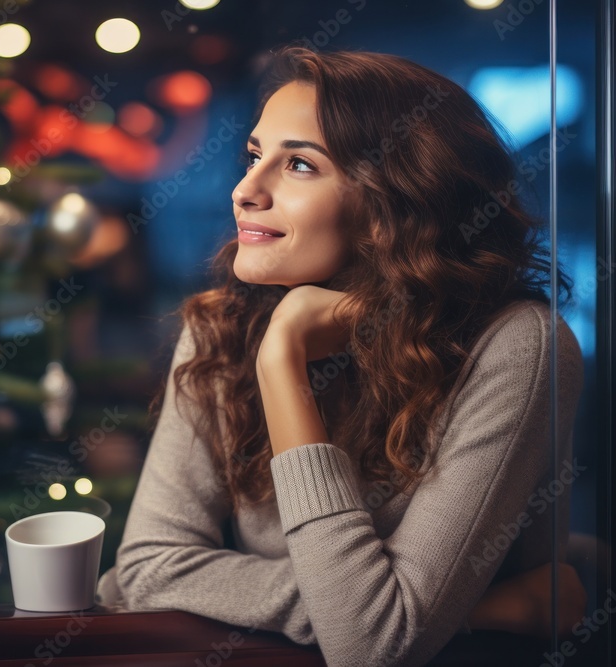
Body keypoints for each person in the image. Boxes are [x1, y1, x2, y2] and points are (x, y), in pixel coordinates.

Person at [95, 46, 587, 666]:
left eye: (298, 165)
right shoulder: (222, 326)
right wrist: (479, 608)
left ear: (392, 206)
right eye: (254, 156)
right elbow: (145, 568)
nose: (246, 189)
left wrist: (283, 367)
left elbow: (371, 648)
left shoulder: (515, 346)